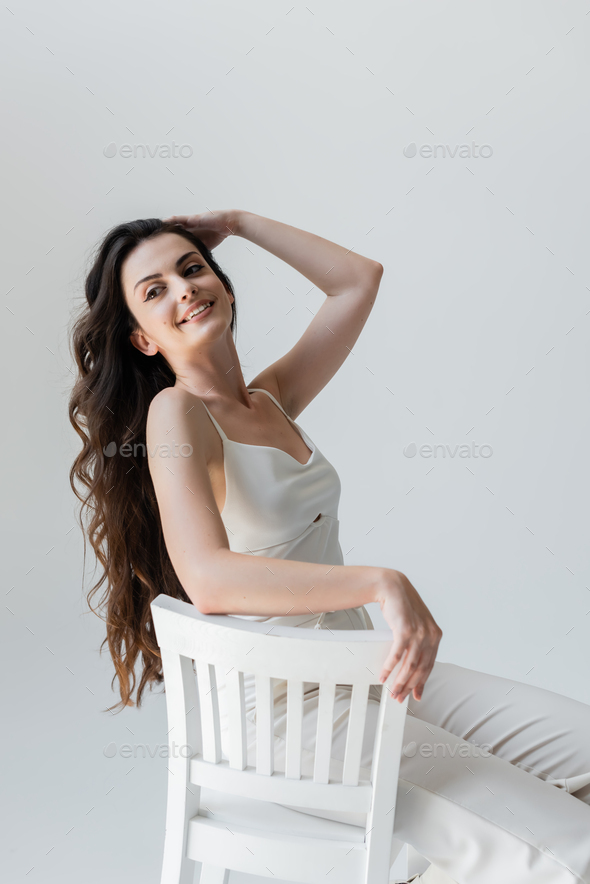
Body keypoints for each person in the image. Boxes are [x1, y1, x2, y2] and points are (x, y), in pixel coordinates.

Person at [69, 209, 590, 884]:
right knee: (570, 850)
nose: (184, 289)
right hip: (290, 715)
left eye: (192, 268)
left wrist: (238, 222)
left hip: (363, 671)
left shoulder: (270, 398)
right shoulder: (177, 412)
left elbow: (356, 282)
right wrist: (382, 582)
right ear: (142, 339)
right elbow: (208, 579)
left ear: (225, 285)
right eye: (155, 289)